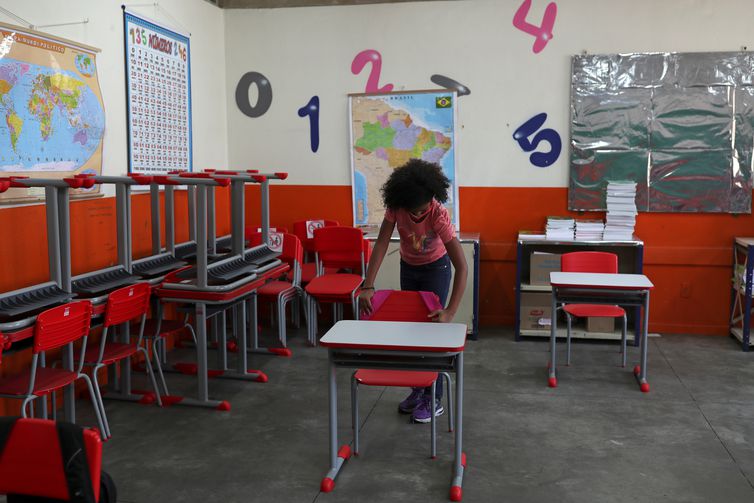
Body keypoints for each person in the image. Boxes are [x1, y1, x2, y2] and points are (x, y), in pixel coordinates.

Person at [359, 158, 467, 424]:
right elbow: (382, 243)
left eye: (423, 208)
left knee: (432, 333)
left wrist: (451, 311)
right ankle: (418, 390)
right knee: (412, 332)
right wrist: (368, 285)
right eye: (414, 210)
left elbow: (462, 267)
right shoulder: (397, 207)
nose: (418, 214)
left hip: (436, 269)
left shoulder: (437, 214)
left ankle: (434, 398)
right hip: (409, 267)